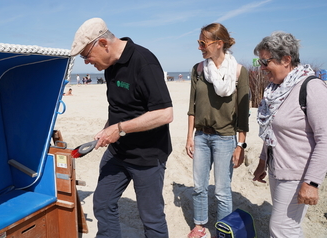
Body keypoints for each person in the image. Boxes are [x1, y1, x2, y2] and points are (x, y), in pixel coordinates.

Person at [70, 18, 173, 238]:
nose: (86, 63)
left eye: (86, 55)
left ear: (103, 44)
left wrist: (119, 129)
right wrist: (107, 129)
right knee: (103, 204)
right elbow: (121, 107)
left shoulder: (144, 61)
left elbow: (165, 114)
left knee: (151, 219)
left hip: (148, 157)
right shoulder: (108, 66)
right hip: (117, 153)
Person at [252, 31, 327, 237]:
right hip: (278, 170)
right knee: (288, 227)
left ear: (286, 60)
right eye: (259, 61)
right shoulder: (275, 90)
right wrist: (262, 161)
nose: (261, 67)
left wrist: (311, 182)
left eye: (265, 61)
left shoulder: (311, 87)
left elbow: (325, 139)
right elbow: (272, 130)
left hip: (297, 174)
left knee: (282, 228)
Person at [185, 23, 249, 238]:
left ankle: (223, 229)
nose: (200, 47)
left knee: (222, 191)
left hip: (226, 138)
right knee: (199, 187)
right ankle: (200, 225)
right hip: (201, 136)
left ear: (219, 43)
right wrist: (189, 138)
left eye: (203, 43)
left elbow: (243, 113)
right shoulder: (198, 69)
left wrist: (241, 144)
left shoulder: (239, 71)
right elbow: (192, 107)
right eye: (199, 42)